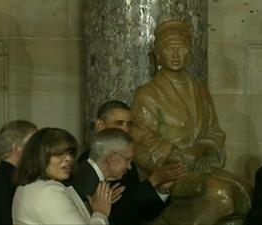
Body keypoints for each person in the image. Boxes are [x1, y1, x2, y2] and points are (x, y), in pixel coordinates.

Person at [132, 20, 252, 225]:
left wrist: (201, 149)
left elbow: (214, 131)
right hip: (170, 173)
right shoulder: (148, 93)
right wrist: (178, 156)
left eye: (182, 48)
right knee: (222, 195)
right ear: (159, 54)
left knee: (245, 191)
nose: (176, 54)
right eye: (170, 48)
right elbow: (143, 139)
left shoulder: (200, 90)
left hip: (202, 166)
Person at [77, 100, 186, 225]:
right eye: (119, 123)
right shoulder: (89, 162)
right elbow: (112, 213)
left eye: (129, 124)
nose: (126, 129)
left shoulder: (127, 161)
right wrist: (154, 180)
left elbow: (143, 213)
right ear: (100, 125)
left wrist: (161, 190)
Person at [12, 128, 111, 225]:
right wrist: (100, 214)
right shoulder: (49, 191)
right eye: (59, 154)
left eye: (71, 153)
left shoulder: (26, 187)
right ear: (41, 157)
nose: (69, 159)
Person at [72, 128, 135, 202]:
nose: (129, 167)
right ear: (111, 157)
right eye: (127, 159)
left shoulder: (84, 173)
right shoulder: (86, 189)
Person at [0, 120, 37, 225]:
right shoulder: (5, 181)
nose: (39, 150)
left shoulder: (6, 176)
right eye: (35, 143)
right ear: (17, 148)